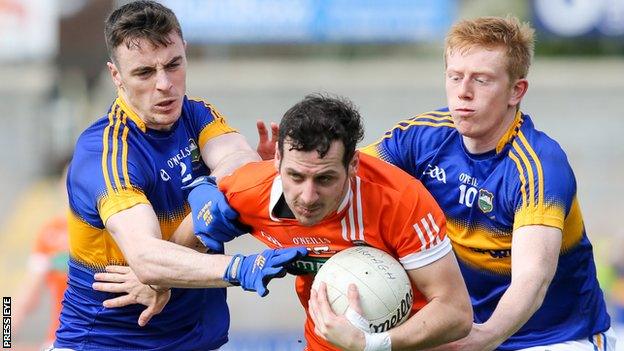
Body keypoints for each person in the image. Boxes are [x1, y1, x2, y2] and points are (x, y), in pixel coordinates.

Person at [54, 1, 306, 350]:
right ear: (116, 76)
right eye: (144, 73)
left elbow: (239, 159)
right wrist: (237, 267)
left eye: (174, 65)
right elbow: (145, 256)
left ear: (185, 53)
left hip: (193, 339)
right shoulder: (106, 153)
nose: (165, 85)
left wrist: (161, 277)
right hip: (109, 343)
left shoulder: (196, 113)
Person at [358, 15, 614, 350]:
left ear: (515, 90)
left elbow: (532, 279)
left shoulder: (539, 166)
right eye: (455, 77)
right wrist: (286, 165)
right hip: (465, 333)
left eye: (481, 80)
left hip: (555, 339)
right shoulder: (422, 137)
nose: (463, 93)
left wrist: (486, 337)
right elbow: (346, 173)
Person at [171, 94, 473, 350]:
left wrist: (369, 344)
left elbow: (456, 312)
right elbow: (182, 246)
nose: (308, 196)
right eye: (295, 176)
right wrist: (156, 282)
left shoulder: (400, 202)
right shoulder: (248, 190)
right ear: (276, 160)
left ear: (353, 164)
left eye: (325, 178)